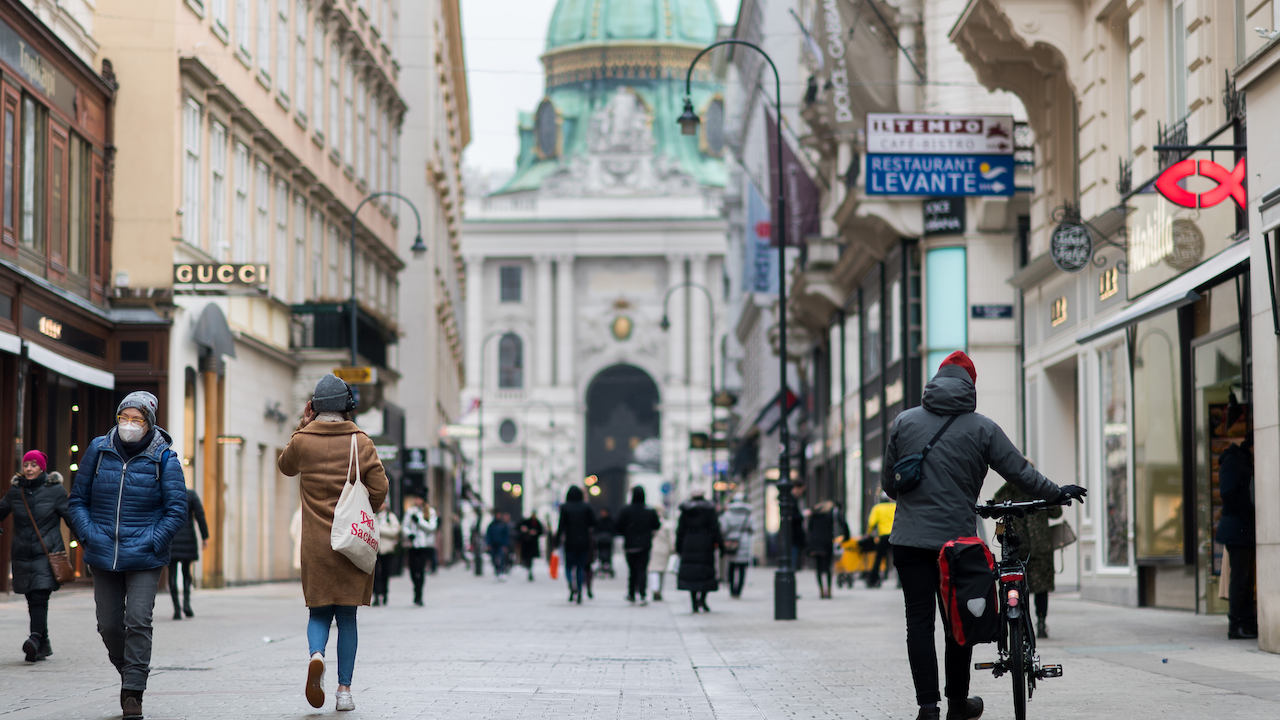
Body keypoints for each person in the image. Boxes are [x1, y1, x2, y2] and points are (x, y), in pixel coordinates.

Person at [881, 352, 1081, 720]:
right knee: (959, 620)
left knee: (919, 622)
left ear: (936, 380)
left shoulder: (904, 422)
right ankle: (958, 702)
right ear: (970, 386)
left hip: (909, 542)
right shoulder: (982, 428)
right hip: (957, 545)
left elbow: (889, 486)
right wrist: (1057, 493)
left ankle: (928, 707)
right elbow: (1020, 472)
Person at [68, 392, 188, 720]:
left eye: (137, 420)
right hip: (103, 551)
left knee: (138, 619)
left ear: (149, 423)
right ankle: (129, 671)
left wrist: (154, 539)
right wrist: (90, 534)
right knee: (108, 625)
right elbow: (77, 500)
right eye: (124, 418)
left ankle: (133, 691)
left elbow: (177, 509)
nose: (129, 425)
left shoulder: (164, 457)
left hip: (146, 556)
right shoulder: (98, 449)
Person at [278, 374, 388, 713]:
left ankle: (316, 655)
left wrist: (301, 425)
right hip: (351, 542)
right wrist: (367, 505)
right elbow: (380, 489)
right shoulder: (361, 442)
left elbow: (285, 466)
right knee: (348, 617)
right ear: (347, 407)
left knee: (319, 611)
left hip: (315, 544)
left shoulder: (302, 441)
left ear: (314, 407)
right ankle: (344, 691)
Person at [0, 450, 72, 662]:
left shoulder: (55, 490)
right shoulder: (16, 491)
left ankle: (33, 638)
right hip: (22, 553)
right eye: (26, 465)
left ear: (42, 467)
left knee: (40, 596)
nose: (29, 469)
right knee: (32, 598)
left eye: (34, 465)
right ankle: (43, 642)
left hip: (47, 553)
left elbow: (70, 518)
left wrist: (88, 542)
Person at [993, 478, 1062, 638]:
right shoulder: (1040, 488)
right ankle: (1041, 621)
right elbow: (1057, 513)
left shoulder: (1011, 487)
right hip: (1040, 546)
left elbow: (996, 504)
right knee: (1040, 588)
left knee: (1018, 585)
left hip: (1017, 545)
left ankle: (1023, 621)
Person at [1216, 433, 1257, 639]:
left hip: (1244, 529)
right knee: (1240, 579)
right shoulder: (1234, 460)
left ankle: (1247, 623)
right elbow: (1228, 493)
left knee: (1247, 580)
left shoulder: (1243, 460)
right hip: (1237, 529)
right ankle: (1236, 625)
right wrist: (1249, 511)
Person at [676, 486, 723, 613]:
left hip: (688, 543)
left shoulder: (685, 511)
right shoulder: (709, 510)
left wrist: (678, 547)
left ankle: (693, 602)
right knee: (705, 572)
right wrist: (720, 544)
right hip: (705, 544)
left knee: (691, 574)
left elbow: (680, 531)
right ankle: (702, 599)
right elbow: (715, 529)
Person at [167, 487, 209, 620]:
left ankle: (177, 610)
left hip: (171, 538)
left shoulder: (168, 494)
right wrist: (205, 536)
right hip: (188, 538)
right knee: (186, 573)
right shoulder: (190, 495)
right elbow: (200, 515)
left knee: (172, 574)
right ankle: (187, 605)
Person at [615, 486, 661, 604]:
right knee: (642, 570)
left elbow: (618, 526)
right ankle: (642, 593)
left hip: (630, 545)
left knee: (632, 570)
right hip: (644, 545)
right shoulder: (649, 510)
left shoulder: (626, 510)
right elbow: (657, 525)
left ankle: (631, 593)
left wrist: (626, 533)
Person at [554, 486, 597, 603]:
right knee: (580, 567)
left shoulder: (565, 507)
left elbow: (561, 526)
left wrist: (556, 542)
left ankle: (571, 585)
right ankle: (579, 590)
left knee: (568, 567)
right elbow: (593, 523)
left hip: (570, 541)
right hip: (584, 541)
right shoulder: (586, 507)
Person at [807, 500, 849, 599]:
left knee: (818, 568)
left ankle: (821, 591)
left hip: (815, 542)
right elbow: (844, 523)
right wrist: (846, 537)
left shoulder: (815, 512)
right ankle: (829, 591)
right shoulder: (833, 512)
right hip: (826, 542)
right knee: (828, 567)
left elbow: (809, 528)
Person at [401, 497, 437, 606]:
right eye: (416, 499)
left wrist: (419, 521)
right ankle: (416, 587)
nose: (417, 501)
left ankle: (419, 594)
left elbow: (432, 527)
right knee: (412, 570)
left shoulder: (430, 511)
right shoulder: (410, 511)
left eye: (419, 499)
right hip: (412, 545)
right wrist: (409, 534)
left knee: (420, 570)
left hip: (424, 546)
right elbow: (404, 526)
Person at [719, 492, 754, 598]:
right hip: (744, 541)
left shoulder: (728, 514)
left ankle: (732, 590)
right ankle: (739, 590)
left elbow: (723, 528)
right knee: (742, 568)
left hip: (731, 542)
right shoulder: (748, 513)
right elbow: (753, 528)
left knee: (731, 567)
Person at [865, 492, 897, 587]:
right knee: (897, 558)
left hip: (883, 536)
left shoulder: (877, 508)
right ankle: (900, 581)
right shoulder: (895, 506)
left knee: (878, 558)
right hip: (895, 536)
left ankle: (873, 579)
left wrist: (868, 533)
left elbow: (871, 522)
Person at [371, 506, 401, 607]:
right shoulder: (372, 515)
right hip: (374, 548)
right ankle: (376, 595)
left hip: (387, 549)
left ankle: (384, 593)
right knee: (375, 574)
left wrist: (378, 528)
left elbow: (394, 531)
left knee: (385, 573)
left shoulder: (390, 516)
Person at [647, 507, 676, 601]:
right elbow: (671, 538)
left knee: (653, 570)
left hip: (653, 548)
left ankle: (654, 589)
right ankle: (659, 590)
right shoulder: (667, 524)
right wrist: (673, 548)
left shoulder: (650, 523)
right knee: (662, 572)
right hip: (664, 550)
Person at [516, 513, 545, 581]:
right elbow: (518, 527)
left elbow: (541, 531)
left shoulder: (537, 522)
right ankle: (528, 567)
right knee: (527, 557)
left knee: (531, 558)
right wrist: (524, 530)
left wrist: (535, 532)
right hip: (526, 543)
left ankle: (529, 569)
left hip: (533, 544)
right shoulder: (526, 522)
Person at [485, 512, 513, 580]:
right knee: (494, 559)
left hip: (501, 544)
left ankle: (502, 572)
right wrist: (488, 544)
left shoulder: (503, 525)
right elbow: (488, 535)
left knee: (502, 558)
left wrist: (505, 545)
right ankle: (496, 572)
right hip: (493, 544)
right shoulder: (492, 525)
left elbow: (506, 535)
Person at [595, 507, 616, 578]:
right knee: (601, 555)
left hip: (607, 540)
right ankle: (603, 566)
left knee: (608, 554)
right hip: (601, 541)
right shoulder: (599, 521)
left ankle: (606, 566)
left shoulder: (610, 521)